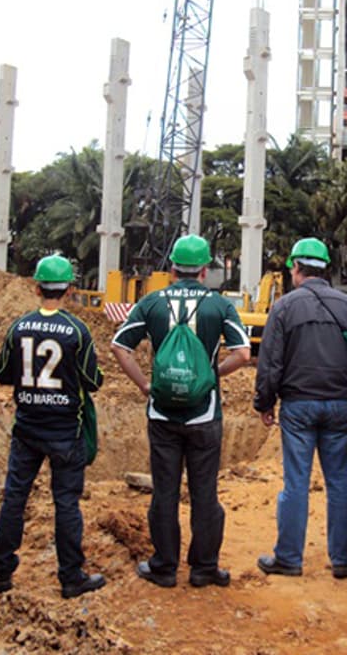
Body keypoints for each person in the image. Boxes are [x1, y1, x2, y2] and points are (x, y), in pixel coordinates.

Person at [111, 234, 251, 588]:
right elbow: (243, 353)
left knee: (165, 491)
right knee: (205, 492)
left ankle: (164, 567)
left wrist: (145, 385)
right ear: (204, 271)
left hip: (162, 416)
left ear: (172, 268)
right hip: (205, 416)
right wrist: (210, 375)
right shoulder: (218, 306)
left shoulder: (151, 302)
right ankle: (204, 569)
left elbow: (119, 347)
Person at [0, 255, 106, 599]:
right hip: (65, 431)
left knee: (15, 498)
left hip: (26, 430)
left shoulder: (19, 327)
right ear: (70, 289)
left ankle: (1, 571)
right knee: (66, 503)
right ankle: (71, 578)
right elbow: (92, 380)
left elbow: (3, 375)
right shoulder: (77, 331)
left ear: (36, 286)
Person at [253, 238, 347, 579]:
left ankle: (289, 558)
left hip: (298, 406)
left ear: (295, 268)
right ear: (325, 268)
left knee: (296, 483)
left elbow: (269, 362)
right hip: (339, 407)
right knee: (339, 483)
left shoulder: (284, 307)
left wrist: (264, 402)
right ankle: (342, 560)